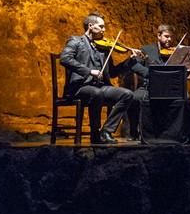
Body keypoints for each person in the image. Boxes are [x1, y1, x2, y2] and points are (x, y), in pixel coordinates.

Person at [59, 11, 137, 144]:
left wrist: (130, 61)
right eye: (101, 26)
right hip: (80, 87)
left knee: (127, 94)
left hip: (101, 86)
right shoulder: (76, 41)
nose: (104, 29)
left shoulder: (104, 47)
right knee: (97, 93)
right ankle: (94, 134)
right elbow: (65, 59)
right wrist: (89, 71)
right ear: (90, 26)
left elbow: (112, 72)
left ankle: (106, 131)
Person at [126, 24, 177, 140]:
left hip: (170, 88)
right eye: (166, 36)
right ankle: (133, 131)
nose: (169, 40)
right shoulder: (147, 49)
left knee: (186, 99)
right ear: (159, 36)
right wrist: (148, 73)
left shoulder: (176, 52)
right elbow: (134, 65)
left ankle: (177, 132)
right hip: (149, 87)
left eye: (171, 37)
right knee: (134, 98)